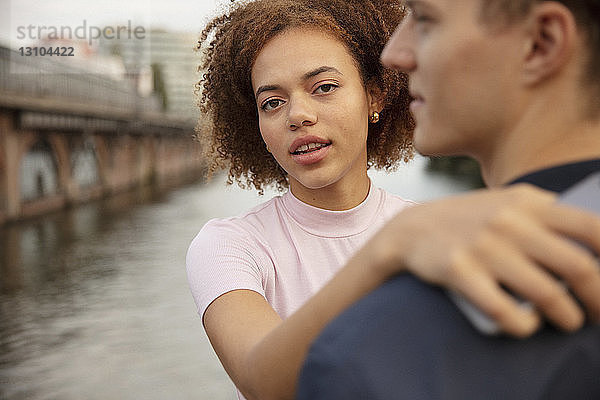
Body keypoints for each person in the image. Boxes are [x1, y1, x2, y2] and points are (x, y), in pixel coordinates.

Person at [186, 1, 600, 399]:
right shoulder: (231, 243)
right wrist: (391, 246)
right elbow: (260, 380)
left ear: (375, 97)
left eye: (324, 87)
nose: (298, 115)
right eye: (272, 102)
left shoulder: (441, 234)